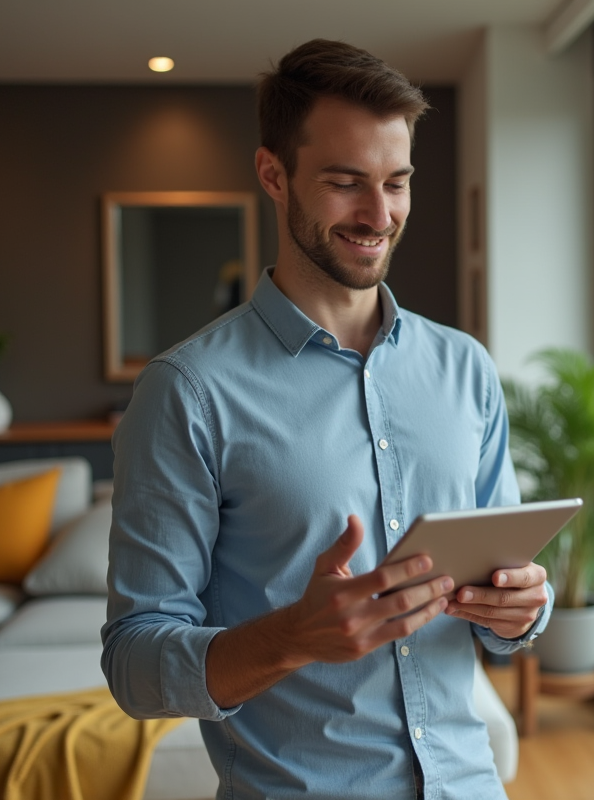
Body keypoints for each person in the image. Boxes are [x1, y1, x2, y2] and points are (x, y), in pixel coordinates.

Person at [102, 39, 553, 800]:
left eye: (398, 183)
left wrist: (519, 610)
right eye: (347, 183)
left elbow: (496, 600)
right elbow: (135, 668)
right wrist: (291, 637)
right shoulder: (187, 391)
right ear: (273, 176)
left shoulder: (465, 369)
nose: (380, 215)